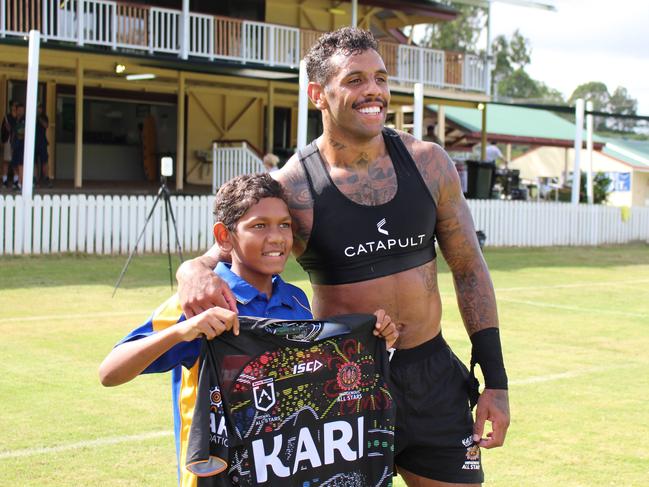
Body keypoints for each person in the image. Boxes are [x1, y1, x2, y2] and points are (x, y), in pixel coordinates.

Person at [176, 27, 509, 486]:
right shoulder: (294, 187)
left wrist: (496, 379)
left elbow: (470, 269)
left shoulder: (429, 163)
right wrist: (189, 269)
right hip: (342, 384)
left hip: (430, 373)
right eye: (354, 80)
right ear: (318, 94)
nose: (373, 90)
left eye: (380, 78)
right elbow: (224, 252)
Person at [99, 173, 397, 486]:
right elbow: (110, 372)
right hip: (217, 476)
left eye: (284, 224)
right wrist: (183, 332)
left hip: (280, 472)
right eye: (259, 226)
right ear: (224, 237)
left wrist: (376, 339)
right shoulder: (200, 302)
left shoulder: (295, 299)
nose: (277, 237)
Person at [1, 100, 17, 189]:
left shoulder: (19, 117)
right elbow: (3, 130)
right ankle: (4, 180)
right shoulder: (7, 117)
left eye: (16, 106)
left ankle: (16, 180)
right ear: (11, 107)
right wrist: (3, 141)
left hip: (17, 142)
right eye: (14, 106)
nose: (15, 107)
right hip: (8, 141)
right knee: (6, 161)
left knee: (16, 161)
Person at [10, 102, 25, 191]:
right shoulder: (15, 120)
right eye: (19, 110)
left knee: (20, 164)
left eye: (22, 110)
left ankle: (20, 183)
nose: (20, 112)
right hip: (15, 143)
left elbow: (21, 132)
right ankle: (17, 181)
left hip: (22, 144)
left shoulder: (24, 119)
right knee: (14, 164)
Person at [35, 103, 51, 187]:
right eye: (37, 108)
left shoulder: (44, 117)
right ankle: (35, 179)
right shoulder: (31, 115)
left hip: (42, 142)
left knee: (44, 161)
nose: (38, 109)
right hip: (34, 142)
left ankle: (46, 178)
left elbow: (46, 125)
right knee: (34, 162)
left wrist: (39, 118)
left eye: (40, 108)